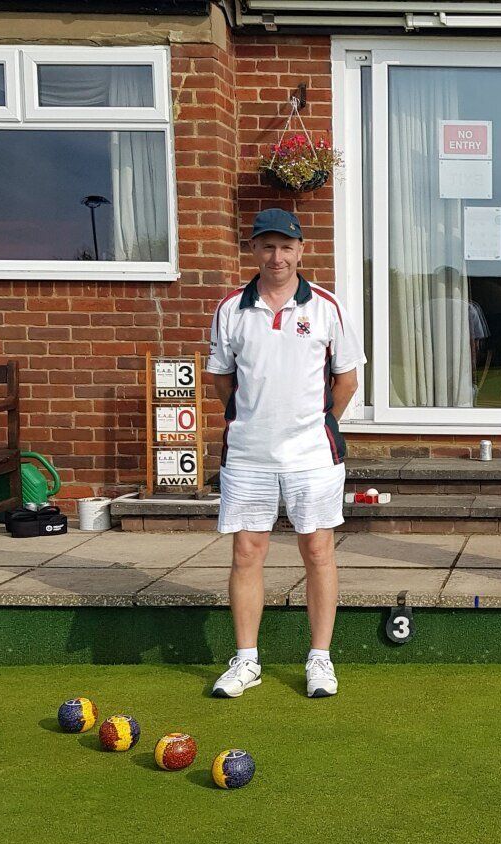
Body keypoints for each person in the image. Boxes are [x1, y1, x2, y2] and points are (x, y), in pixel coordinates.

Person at [205, 208, 365, 700]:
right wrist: (246, 417)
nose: (277, 256)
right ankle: (247, 661)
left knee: (317, 551)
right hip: (249, 456)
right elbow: (220, 378)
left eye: (286, 246)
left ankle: (319, 660)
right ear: (253, 249)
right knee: (246, 553)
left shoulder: (326, 307)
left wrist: (320, 422)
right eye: (267, 246)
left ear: (301, 249)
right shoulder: (231, 308)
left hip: (313, 454)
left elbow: (347, 380)